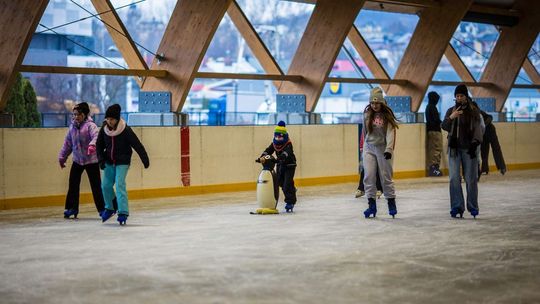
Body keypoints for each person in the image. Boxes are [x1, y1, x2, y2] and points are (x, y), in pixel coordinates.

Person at [97, 104, 149, 225]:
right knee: (105, 186)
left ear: (117, 119)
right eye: (108, 119)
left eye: (112, 119)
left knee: (120, 185)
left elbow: (137, 144)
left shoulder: (125, 130)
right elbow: (99, 145)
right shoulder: (104, 129)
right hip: (109, 161)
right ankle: (110, 207)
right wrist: (101, 160)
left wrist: (145, 159)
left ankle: (123, 212)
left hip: (123, 162)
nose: (109, 121)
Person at [441, 84, 484, 218]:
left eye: (461, 96)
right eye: (457, 96)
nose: (459, 98)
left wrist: (475, 144)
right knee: (454, 178)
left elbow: (478, 128)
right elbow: (444, 126)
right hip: (454, 149)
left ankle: (473, 207)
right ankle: (457, 206)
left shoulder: (473, 111)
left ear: (466, 96)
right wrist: (452, 117)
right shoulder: (450, 111)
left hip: (468, 149)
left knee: (471, 179)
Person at [58, 102, 105, 219]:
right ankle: (72, 208)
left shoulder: (90, 126)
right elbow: (68, 144)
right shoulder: (72, 127)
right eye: (74, 114)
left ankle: (102, 209)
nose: (75, 117)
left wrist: (92, 145)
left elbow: (96, 136)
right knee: (73, 184)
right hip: (78, 160)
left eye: (78, 114)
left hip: (91, 160)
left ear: (84, 114)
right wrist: (62, 157)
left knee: (96, 186)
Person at [361, 87, 399, 218]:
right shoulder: (366, 115)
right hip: (369, 147)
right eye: (372, 103)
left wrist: (389, 149)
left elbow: (390, 134)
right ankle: (371, 205)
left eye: (377, 103)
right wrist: (363, 147)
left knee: (385, 177)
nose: (374, 105)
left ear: (382, 103)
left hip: (383, 148)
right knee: (369, 176)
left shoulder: (387, 117)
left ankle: (391, 201)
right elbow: (365, 133)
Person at [259, 121, 297, 213]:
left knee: (286, 185)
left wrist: (279, 158)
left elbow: (286, 153)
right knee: (280, 182)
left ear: (283, 136)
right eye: (276, 136)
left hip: (289, 165)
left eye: (279, 136)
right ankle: (292, 189)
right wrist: (262, 156)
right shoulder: (274, 144)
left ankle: (290, 202)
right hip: (280, 165)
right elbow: (268, 150)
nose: (277, 138)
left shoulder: (288, 144)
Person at [477, 106, 506, 177]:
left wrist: (484, 125)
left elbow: (490, 117)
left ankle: (502, 167)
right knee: (484, 151)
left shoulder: (478, 111)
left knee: (496, 148)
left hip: (490, 131)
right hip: (483, 133)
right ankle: (484, 169)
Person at [355, 128, 383, 198]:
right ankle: (361, 188)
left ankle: (379, 189)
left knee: (378, 168)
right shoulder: (367, 121)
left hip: (379, 147)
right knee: (365, 168)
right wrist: (362, 146)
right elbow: (363, 134)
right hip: (367, 148)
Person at [425, 91, 443, 177]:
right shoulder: (432, 107)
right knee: (436, 149)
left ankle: (434, 168)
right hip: (435, 131)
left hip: (432, 130)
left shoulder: (429, 107)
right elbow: (436, 120)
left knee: (434, 149)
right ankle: (434, 169)